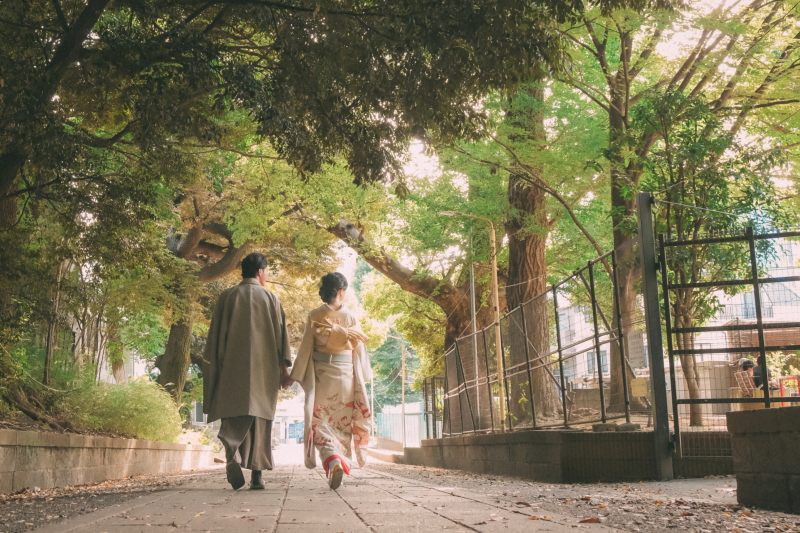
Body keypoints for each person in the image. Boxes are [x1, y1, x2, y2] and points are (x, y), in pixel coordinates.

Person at [202, 252, 293, 490]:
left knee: (233, 412)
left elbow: (215, 338)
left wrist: (215, 366)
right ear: (260, 272)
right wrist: (285, 370)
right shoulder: (271, 299)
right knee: (260, 420)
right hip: (264, 369)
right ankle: (257, 476)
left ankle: (232, 453)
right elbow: (282, 339)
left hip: (232, 365)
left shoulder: (227, 297)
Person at [288, 273, 372, 490]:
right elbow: (359, 352)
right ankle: (339, 460)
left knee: (320, 421)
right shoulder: (351, 318)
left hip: (321, 375)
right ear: (341, 291)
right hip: (346, 376)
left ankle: (332, 458)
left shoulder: (315, 315)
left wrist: (294, 375)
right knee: (342, 423)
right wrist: (364, 377)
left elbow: (306, 346)